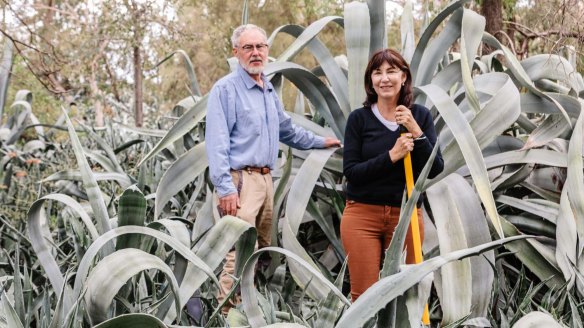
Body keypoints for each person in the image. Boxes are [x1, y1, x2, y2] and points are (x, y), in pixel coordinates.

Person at [205, 24, 341, 313]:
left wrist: (321, 141)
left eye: (260, 47)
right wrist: (225, 188)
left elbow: (287, 131)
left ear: (267, 50)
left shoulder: (266, 89)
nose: (256, 53)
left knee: (259, 252)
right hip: (240, 181)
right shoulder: (226, 90)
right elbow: (216, 143)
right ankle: (226, 316)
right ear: (236, 52)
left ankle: (248, 312)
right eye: (248, 48)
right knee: (239, 253)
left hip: (266, 180)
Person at [341, 48, 444, 301]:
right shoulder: (359, 119)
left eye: (391, 71)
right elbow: (351, 172)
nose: (384, 78)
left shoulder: (419, 115)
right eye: (377, 73)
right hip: (362, 216)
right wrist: (391, 156)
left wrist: (415, 130)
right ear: (371, 81)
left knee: (405, 295)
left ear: (404, 77)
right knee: (364, 297)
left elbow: (435, 168)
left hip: (406, 216)